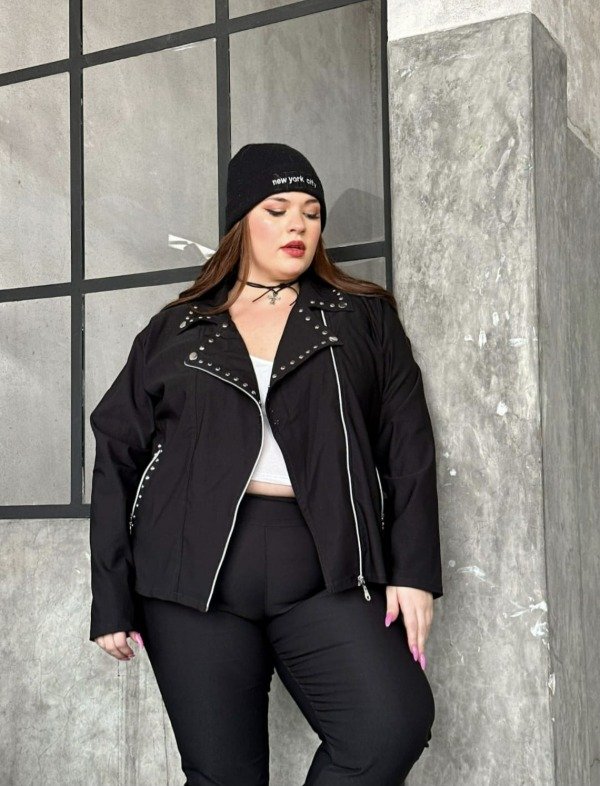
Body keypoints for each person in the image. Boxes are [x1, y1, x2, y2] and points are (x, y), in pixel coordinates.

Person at [88, 142, 443, 785]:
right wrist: (111, 595)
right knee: (223, 775)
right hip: (190, 574)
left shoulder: (362, 318)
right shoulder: (177, 328)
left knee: (390, 727)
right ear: (240, 221)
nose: (297, 226)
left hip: (326, 561)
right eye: (277, 210)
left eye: (311, 212)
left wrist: (413, 570)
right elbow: (116, 454)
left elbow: (407, 445)